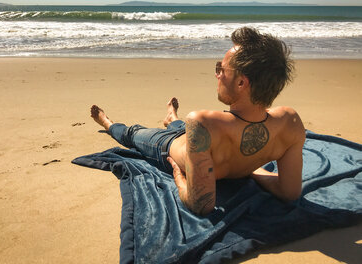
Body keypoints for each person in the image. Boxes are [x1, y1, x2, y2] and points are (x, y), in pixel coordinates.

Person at [90, 27, 305, 216]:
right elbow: (289, 192)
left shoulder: (203, 122)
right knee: (186, 129)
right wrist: (251, 168)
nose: (217, 75)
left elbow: (200, 205)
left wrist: (178, 176)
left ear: (241, 82)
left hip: (167, 146)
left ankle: (108, 123)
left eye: (221, 69)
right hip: (197, 139)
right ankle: (172, 118)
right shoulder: (290, 122)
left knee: (133, 134)